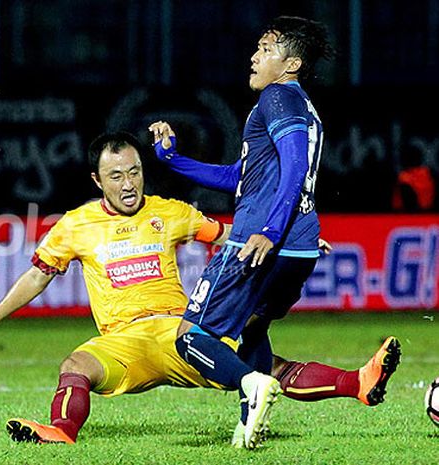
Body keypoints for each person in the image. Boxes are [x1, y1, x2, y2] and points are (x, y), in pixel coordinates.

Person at [0, 131, 400, 446]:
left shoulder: (170, 211)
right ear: (97, 181)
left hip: (182, 332)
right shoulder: (76, 225)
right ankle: (61, 430)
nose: (129, 183)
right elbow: (38, 274)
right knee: (76, 363)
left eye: (135, 171)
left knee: (269, 368)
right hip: (123, 344)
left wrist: (291, 240)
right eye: (116, 176)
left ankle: (356, 383)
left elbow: (230, 237)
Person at [149, 16, 400, 449]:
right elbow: (240, 177)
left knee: (191, 337)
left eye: (265, 49)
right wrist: (173, 162)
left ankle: (251, 384)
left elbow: (295, 168)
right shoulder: (298, 105)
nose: (254, 56)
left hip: (260, 241)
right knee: (253, 329)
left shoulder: (277, 98)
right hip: (297, 248)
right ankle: (252, 421)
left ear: (291, 64)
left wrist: (269, 229)